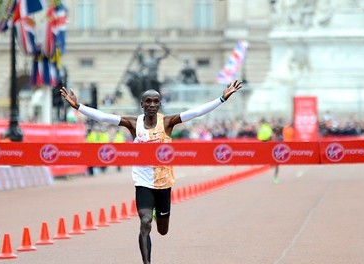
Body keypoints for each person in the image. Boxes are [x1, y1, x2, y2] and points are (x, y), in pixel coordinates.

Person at [60, 80, 242, 264]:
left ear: (160, 104)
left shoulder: (168, 122)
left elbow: (195, 113)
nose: (152, 105)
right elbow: (104, 117)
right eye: (148, 101)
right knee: (145, 221)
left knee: (163, 230)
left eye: (156, 101)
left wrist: (221, 99)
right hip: (142, 180)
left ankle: (158, 215)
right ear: (142, 104)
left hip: (164, 181)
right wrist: (78, 106)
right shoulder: (133, 123)